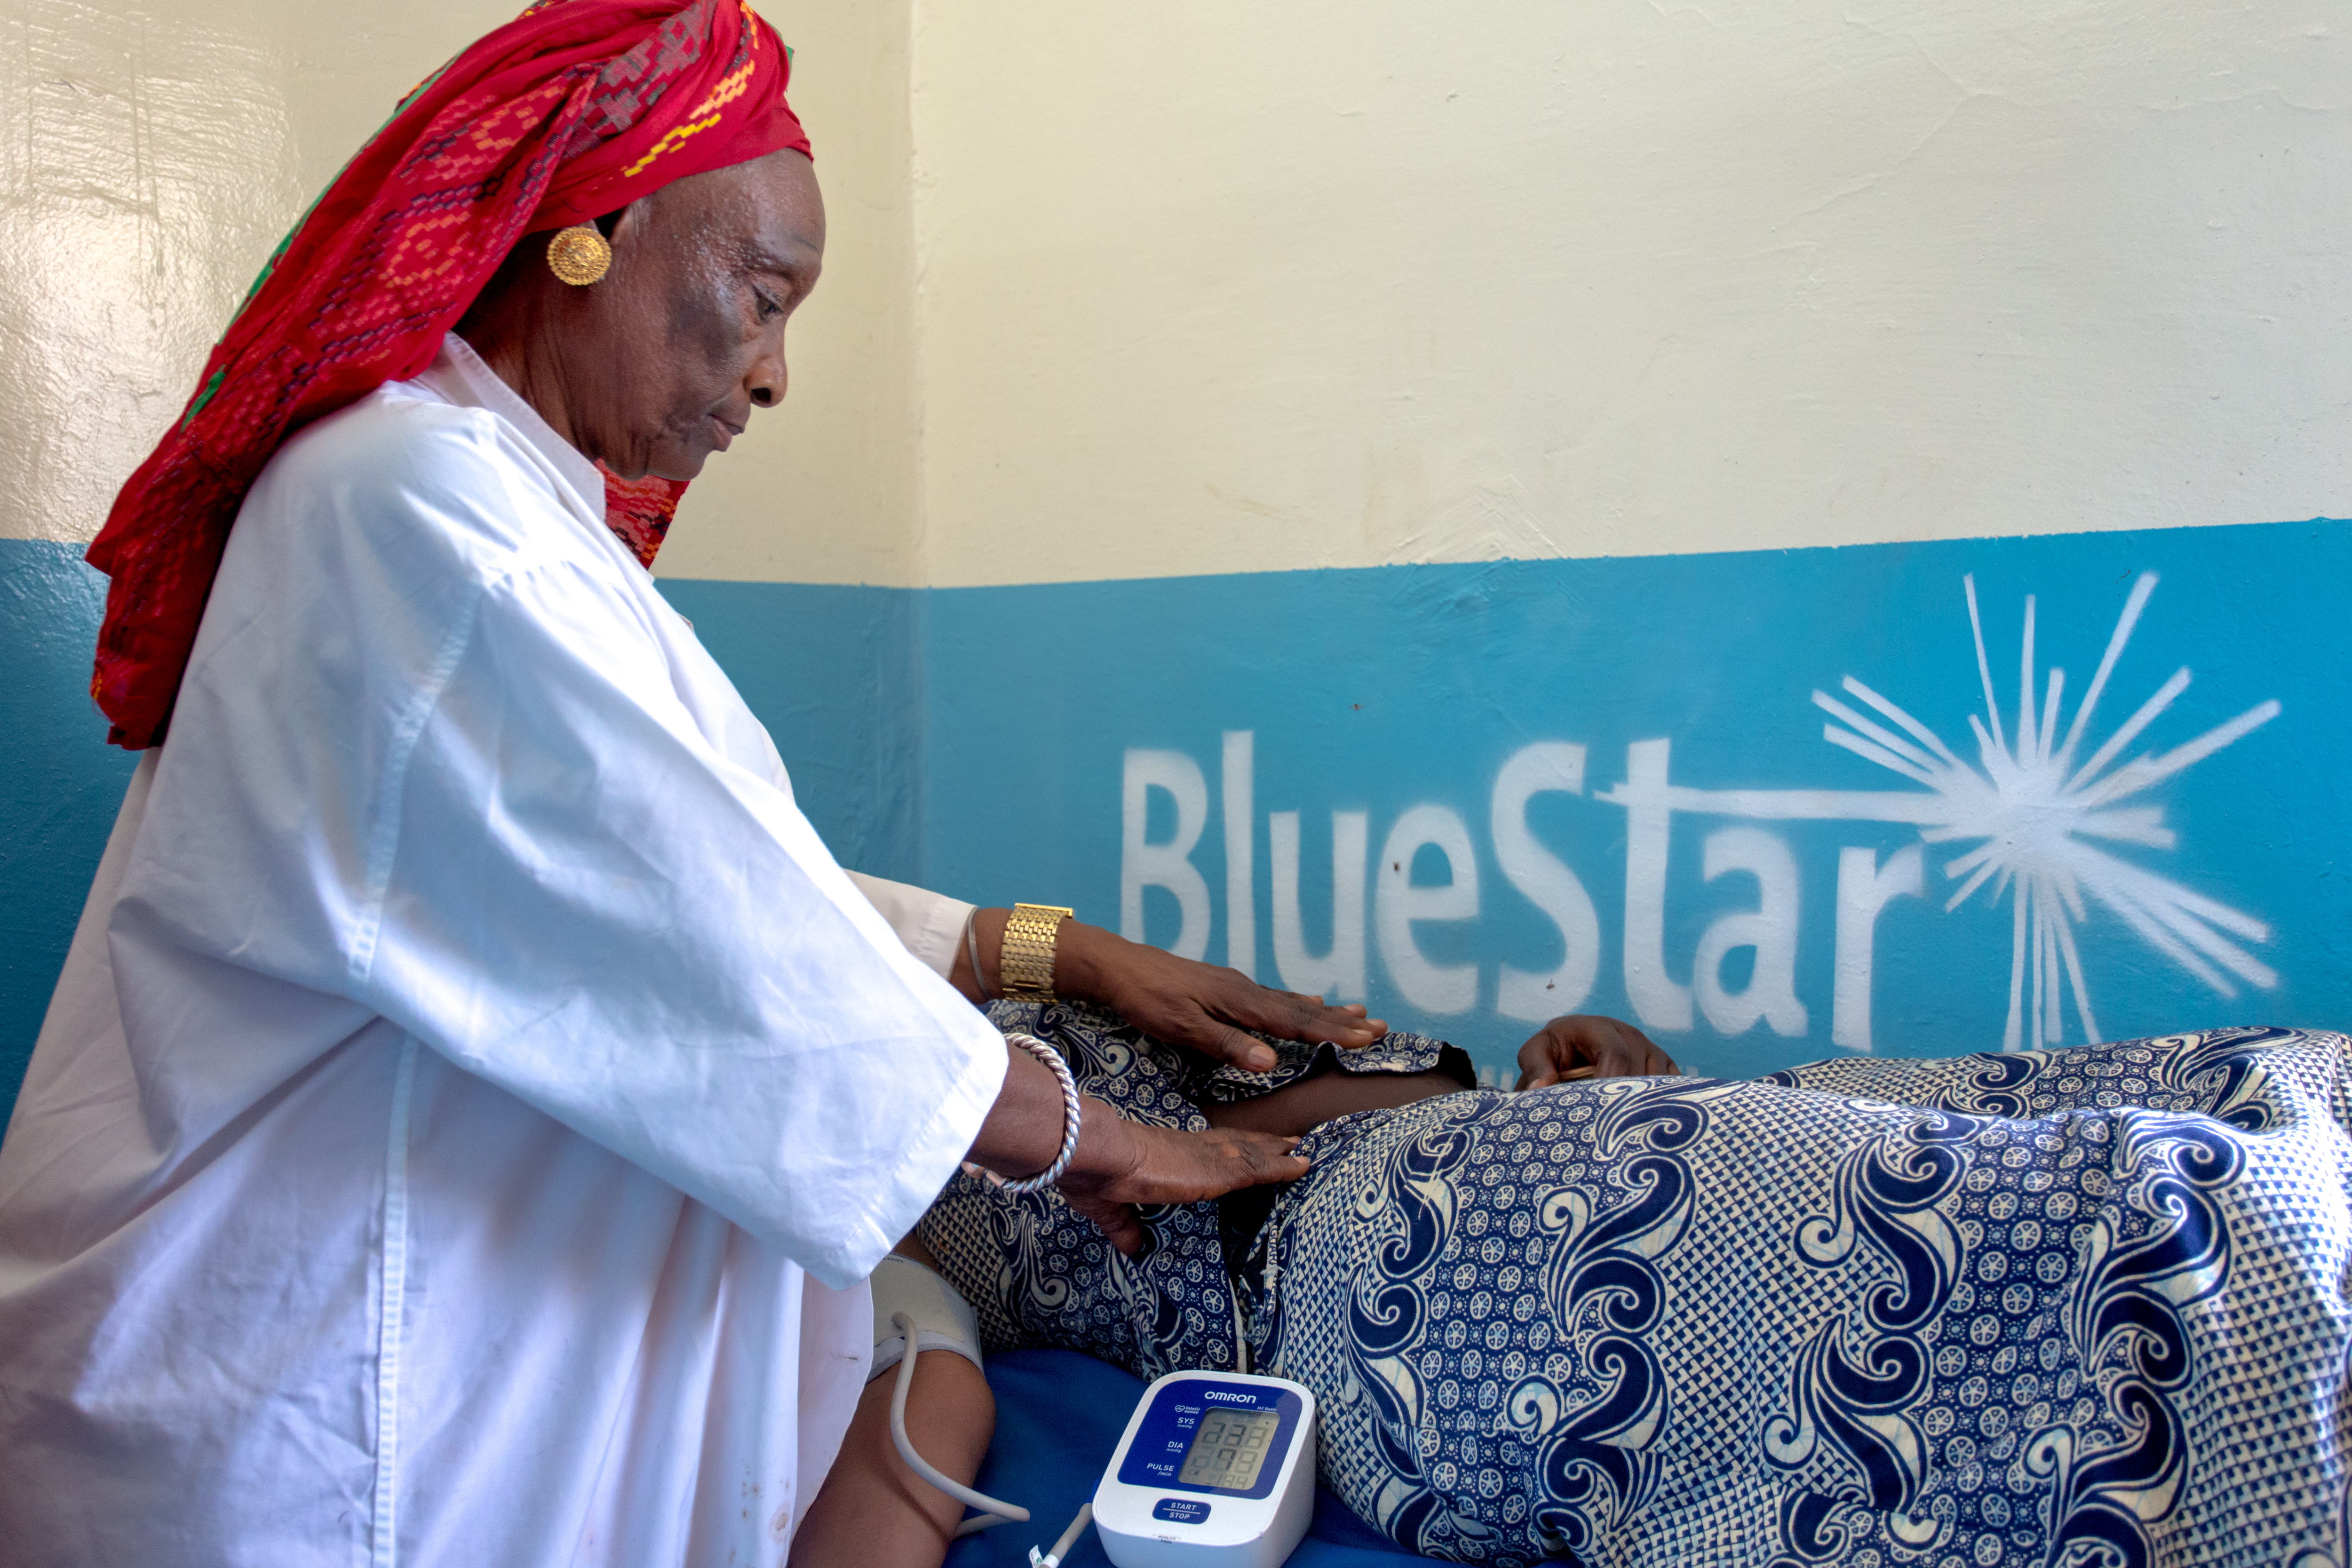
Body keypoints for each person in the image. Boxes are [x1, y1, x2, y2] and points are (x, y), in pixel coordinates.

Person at [0, 4, 1383, 1563]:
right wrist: (1107, 1137)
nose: (774, 375)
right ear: (593, 229)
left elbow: (633, 880)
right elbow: (702, 928)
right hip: (317, 1411)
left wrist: (1049, 952)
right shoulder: (428, 515)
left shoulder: (478, 504)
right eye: (761, 294)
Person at [818, 1005, 2352, 1568]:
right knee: (2157, 1250)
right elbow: (917, 1405)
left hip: (1512, 1138)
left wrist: (1577, 1061)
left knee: (2271, 1081)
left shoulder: (978, 985)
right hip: (1364, 1272)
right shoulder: (847, 1202)